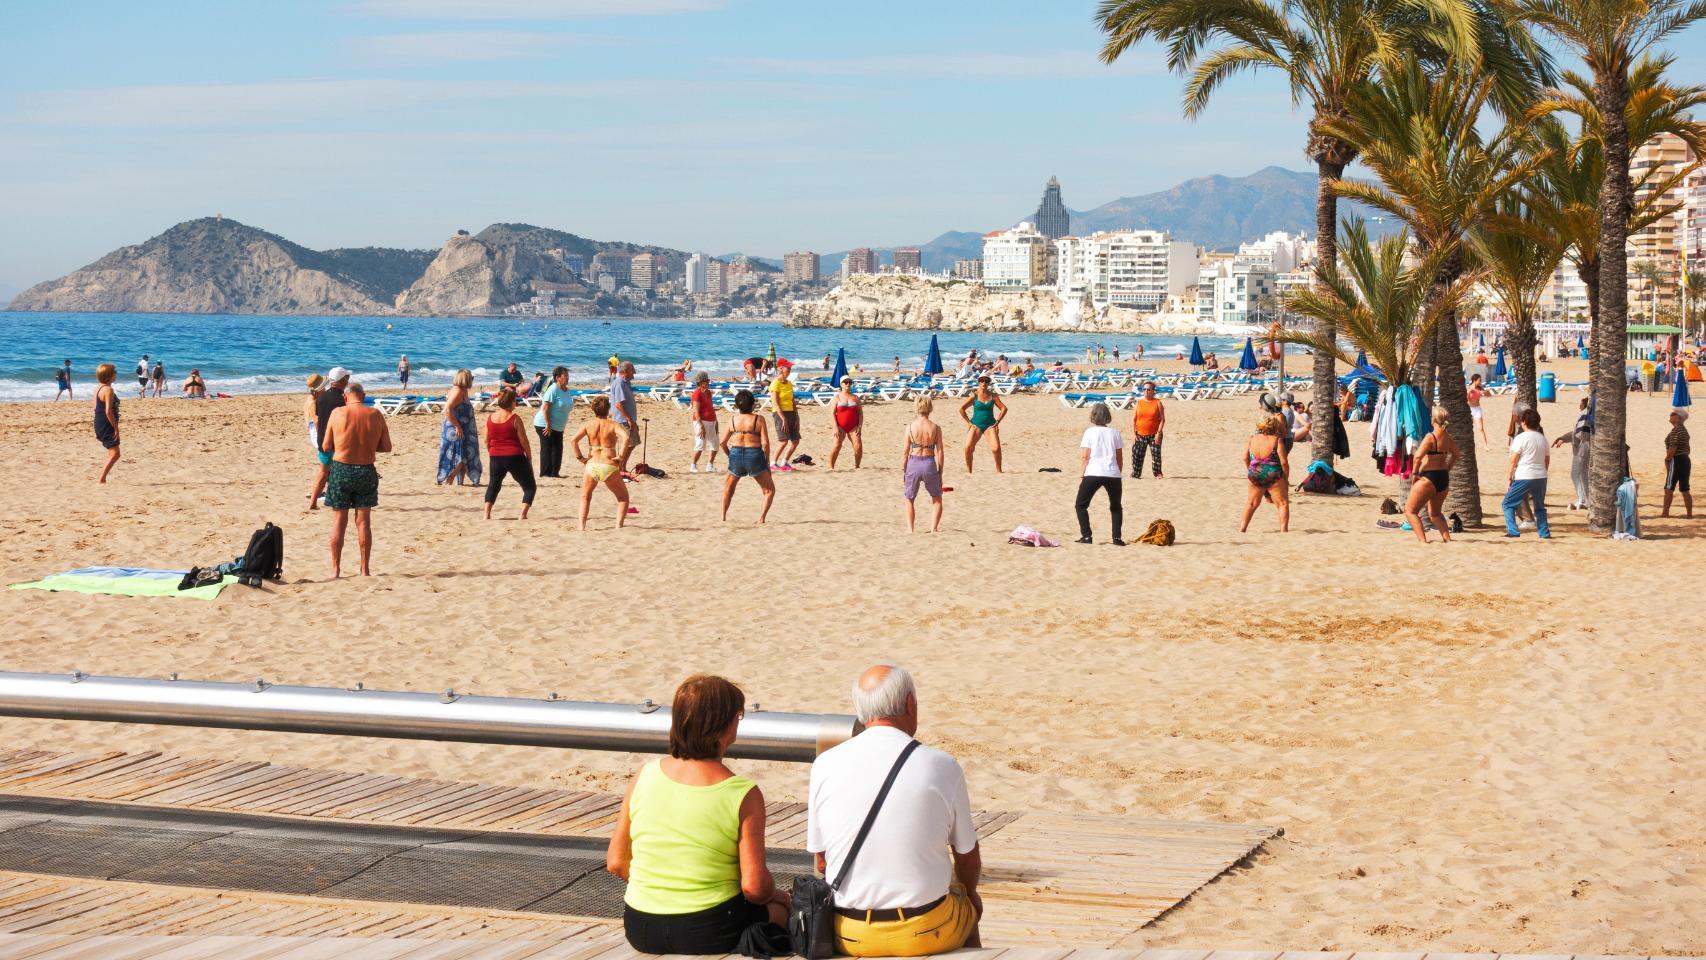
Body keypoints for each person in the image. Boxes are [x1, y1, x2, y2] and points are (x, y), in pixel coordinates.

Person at [807, 664, 982, 957]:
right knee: (967, 904)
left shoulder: (824, 764)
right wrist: (969, 892)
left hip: (850, 932)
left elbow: (822, 862)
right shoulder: (941, 765)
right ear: (910, 704)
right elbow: (967, 856)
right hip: (926, 929)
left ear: (861, 712)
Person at [608, 675, 789, 954]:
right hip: (709, 928)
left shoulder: (644, 775)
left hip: (641, 927)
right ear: (724, 726)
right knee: (780, 912)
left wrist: (664, 891)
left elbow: (616, 862)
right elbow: (754, 888)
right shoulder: (742, 793)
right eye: (737, 717)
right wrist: (782, 898)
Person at [321, 381, 393, 577]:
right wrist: (367, 446)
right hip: (365, 470)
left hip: (341, 469)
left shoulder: (337, 413)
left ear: (346, 397)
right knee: (363, 522)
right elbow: (387, 447)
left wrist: (344, 444)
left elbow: (326, 446)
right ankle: (364, 569)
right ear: (363, 395)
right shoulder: (375, 414)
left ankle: (336, 569)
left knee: (339, 521)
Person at [571, 395, 632, 529]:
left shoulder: (588, 425)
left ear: (593, 409)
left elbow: (573, 441)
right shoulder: (613, 424)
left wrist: (580, 458)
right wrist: (621, 456)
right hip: (608, 463)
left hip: (592, 464)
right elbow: (626, 437)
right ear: (608, 409)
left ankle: (581, 526)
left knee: (585, 497)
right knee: (623, 498)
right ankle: (618, 525)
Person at [719, 389, 776, 524]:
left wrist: (730, 455)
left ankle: (723, 517)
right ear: (752, 404)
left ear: (737, 405)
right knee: (769, 490)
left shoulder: (732, 419)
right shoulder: (758, 419)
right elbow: (766, 444)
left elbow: (722, 442)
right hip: (754, 455)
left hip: (736, 454)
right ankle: (761, 519)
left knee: (729, 488)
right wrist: (767, 462)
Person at [1404, 409, 1460, 543]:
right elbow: (1457, 454)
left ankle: (1423, 542)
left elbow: (1417, 457)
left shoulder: (1431, 437)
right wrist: (1448, 467)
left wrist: (1415, 474)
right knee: (1435, 513)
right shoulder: (1447, 437)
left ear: (1433, 420)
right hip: (1443, 477)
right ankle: (1447, 539)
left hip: (1429, 477)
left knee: (1410, 511)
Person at [1075, 403, 1124, 545]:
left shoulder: (1089, 432)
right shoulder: (1115, 433)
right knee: (1116, 506)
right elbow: (1119, 457)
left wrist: (1082, 474)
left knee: (1081, 505)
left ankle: (1087, 536)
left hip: (1093, 472)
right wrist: (1117, 472)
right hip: (1113, 473)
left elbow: (1085, 456)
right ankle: (1116, 538)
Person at [484, 387, 535, 520]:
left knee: (493, 485)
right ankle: (522, 515)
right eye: (515, 401)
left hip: (495, 456)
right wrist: (529, 456)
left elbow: (486, 440)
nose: (516, 403)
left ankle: (486, 514)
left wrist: (492, 452)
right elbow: (524, 441)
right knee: (529, 486)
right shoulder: (515, 418)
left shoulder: (490, 418)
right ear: (511, 402)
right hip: (514, 456)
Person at [1502, 407, 1551, 539]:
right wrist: (1543, 472)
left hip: (1525, 475)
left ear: (1524, 422)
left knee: (1507, 504)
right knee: (1539, 506)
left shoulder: (1521, 438)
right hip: (1541, 476)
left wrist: (1510, 475)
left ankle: (1513, 531)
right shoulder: (1542, 438)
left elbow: (1513, 460)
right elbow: (1547, 460)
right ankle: (1544, 533)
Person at [310, 367, 351, 510]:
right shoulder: (343, 399)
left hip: (323, 440)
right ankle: (339, 500)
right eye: (347, 377)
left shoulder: (321, 397)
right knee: (341, 472)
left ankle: (313, 501)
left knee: (323, 472)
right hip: (339, 441)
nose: (348, 380)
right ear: (341, 381)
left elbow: (318, 419)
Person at [1240, 415, 1290, 533]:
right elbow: (1284, 462)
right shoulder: (1277, 440)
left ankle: (1242, 529)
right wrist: (1285, 478)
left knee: (1251, 504)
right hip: (1273, 474)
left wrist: (1250, 470)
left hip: (1255, 474)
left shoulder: (1252, 439)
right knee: (1282, 504)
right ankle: (1283, 531)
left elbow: (1245, 457)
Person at [902, 397, 945, 533]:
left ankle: (910, 529)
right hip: (929, 462)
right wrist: (940, 471)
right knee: (936, 498)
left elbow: (905, 452)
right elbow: (940, 451)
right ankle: (933, 528)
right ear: (930, 408)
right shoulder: (935, 427)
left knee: (909, 498)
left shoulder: (910, 427)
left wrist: (904, 470)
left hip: (914, 462)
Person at [437, 369, 483, 487]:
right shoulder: (457, 391)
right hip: (457, 428)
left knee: (464, 453)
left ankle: (460, 481)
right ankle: (450, 478)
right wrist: (458, 426)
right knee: (461, 454)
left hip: (464, 427)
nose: (472, 380)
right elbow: (447, 409)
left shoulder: (463, 391)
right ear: (466, 379)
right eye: (471, 378)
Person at [958, 377, 1006, 473]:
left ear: (988, 384)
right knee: (968, 448)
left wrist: (997, 422)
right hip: (976, 425)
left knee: (996, 448)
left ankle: (999, 470)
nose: (984, 383)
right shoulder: (974, 396)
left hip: (990, 425)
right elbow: (961, 409)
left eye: (987, 381)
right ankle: (969, 471)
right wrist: (969, 422)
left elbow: (1004, 408)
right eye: (982, 381)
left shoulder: (993, 396)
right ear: (979, 383)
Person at [1552, 396, 1591, 510]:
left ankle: (1582, 499)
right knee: (1583, 474)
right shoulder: (1587, 414)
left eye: (1581, 403)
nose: (1579, 405)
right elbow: (1577, 432)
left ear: (1585, 405)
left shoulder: (1585, 414)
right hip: (1586, 446)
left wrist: (1564, 439)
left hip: (1583, 447)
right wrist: (1563, 438)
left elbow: (1580, 434)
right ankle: (1586, 500)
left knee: (1576, 473)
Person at [534, 366, 572, 478]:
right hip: (544, 424)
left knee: (558, 448)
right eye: (565, 375)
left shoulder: (566, 390)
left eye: (567, 375)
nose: (568, 377)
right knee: (547, 448)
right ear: (558, 377)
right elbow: (545, 408)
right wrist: (548, 424)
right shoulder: (553, 389)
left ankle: (554, 473)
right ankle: (545, 473)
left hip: (558, 426)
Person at [769, 363, 801, 470]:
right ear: (781, 368)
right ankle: (773, 463)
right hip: (779, 414)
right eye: (788, 368)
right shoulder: (775, 384)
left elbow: (792, 402)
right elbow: (775, 403)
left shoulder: (789, 384)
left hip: (791, 412)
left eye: (791, 368)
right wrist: (783, 419)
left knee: (795, 440)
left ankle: (784, 462)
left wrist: (797, 417)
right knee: (783, 441)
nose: (790, 370)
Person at [1129, 382, 1165, 479]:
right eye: (1144, 389)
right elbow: (1134, 419)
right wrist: (1134, 434)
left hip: (1154, 434)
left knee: (1156, 455)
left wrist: (1159, 433)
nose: (1146, 391)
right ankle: (1136, 474)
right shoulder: (1139, 403)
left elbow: (1162, 419)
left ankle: (1158, 474)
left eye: (1148, 389)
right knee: (1136, 455)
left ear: (1153, 391)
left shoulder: (1157, 402)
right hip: (1140, 434)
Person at [93, 363, 120, 483]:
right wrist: (116, 428)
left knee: (112, 451)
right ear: (110, 375)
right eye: (115, 372)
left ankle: (102, 478)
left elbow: (95, 407)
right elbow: (108, 411)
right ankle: (101, 478)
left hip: (99, 420)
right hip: (106, 422)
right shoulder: (108, 390)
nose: (116, 374)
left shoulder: (98, 388)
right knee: (115, 453)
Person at [829, 377, 864, 470]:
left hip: (854, 426)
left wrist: (860, 426)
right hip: (840, 426)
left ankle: (857, 466)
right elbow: (832, 413)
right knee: (837, 446)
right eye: (845, 382)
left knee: (858, 446)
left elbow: (860, 413)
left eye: (849, 382)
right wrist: (835, 427)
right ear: (841, 384)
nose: (848, 384)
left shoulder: (855, 398)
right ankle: (831, 467)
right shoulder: (837, 398)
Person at [1663, 408, 1692, 518]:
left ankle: (1665, 513)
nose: (1670, 417)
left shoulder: (1676, 430)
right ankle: (1689, 514)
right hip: (1685, 460)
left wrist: (1667, 459)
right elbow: (1688, 449)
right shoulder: (1684, 430)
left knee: (1669, 487)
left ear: (1678, 418)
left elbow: (1673, 447)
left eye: (1673, 415)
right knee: (1685, 488)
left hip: (1676, 460)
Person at [689, 371, 720, 474]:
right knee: (700, 445)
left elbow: (711, 408)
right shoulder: (697, 394)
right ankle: (693, 465)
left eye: (708, 380)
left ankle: (710, 465)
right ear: (700, 382)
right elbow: (696, 412)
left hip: (712, 421)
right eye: (705, 380)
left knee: (715, 444)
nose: (708, 382)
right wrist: (701, 426)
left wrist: (716, 422)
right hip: (701, 422)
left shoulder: (708, 392)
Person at [610, 362, 640, 468]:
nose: (634, 373)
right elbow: (618, 404)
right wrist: (629, 419)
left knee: (632, 443)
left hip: (628, 419)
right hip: (622, 420)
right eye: (632, 370)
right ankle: (620, 467)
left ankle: (622, 466)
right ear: (626, 371)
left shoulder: (626, 383)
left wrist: (632, 420)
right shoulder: (619, 383)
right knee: (629, 444)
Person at [1467, 374, 1490, 448]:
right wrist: (1469, 391)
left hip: (1477, 409)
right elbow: (1466, 399)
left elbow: (1489, 395)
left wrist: (1485, 392)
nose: (1480, 382)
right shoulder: (1469, 388)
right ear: (1475, 380)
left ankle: (1486, 446)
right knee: (1468, 428)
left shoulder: (1479, 388)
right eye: (1479, 380)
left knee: (1481, 428)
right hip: (1469, 409)